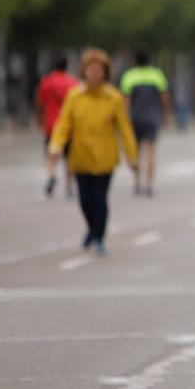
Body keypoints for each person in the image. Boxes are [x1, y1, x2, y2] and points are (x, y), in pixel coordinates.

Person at [47, 49, 137, 256]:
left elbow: (124, 129)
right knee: (85, 200)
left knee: (100, 199)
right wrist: (56, 144)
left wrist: (132, 156)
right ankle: (91, 228)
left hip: (105, 157)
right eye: (91, 69)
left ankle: (98, 236)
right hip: (81, 156)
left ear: (105, 73)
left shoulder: (113, 98)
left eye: (99, 70)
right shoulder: (75, 96)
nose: (95, 74)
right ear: (84, 72)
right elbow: (64, 124)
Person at [119, 50, 171, 197]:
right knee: (151, 152)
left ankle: (137, 182)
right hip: (152, 118)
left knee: (136, 152)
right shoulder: (156, 75)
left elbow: (126, 101)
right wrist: (165, 115)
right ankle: (149, 184)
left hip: (134, 118)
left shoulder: (129, 76)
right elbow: (164, 97)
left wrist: (124, 119)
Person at [37, 55, 78, 198]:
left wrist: (39, 120)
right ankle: (69, 186)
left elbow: (40, 104)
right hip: (69, 126)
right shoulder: (73, 82)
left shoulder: (46, 82)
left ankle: (52, 174)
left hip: (51, 123)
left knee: (51, 153)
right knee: (69, 157)